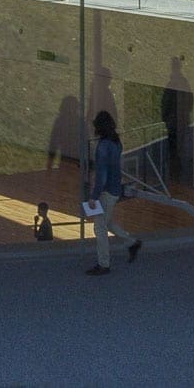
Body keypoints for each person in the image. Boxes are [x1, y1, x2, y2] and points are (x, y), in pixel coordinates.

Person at [84, 110, 142, 275]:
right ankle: (131, 243)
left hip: (106, 192)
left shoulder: (102, 147)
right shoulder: (116, 142)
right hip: (115, 189)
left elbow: (101, 175)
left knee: (99, 227)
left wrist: (94, 196)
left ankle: (104, 264)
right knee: (107, 222)